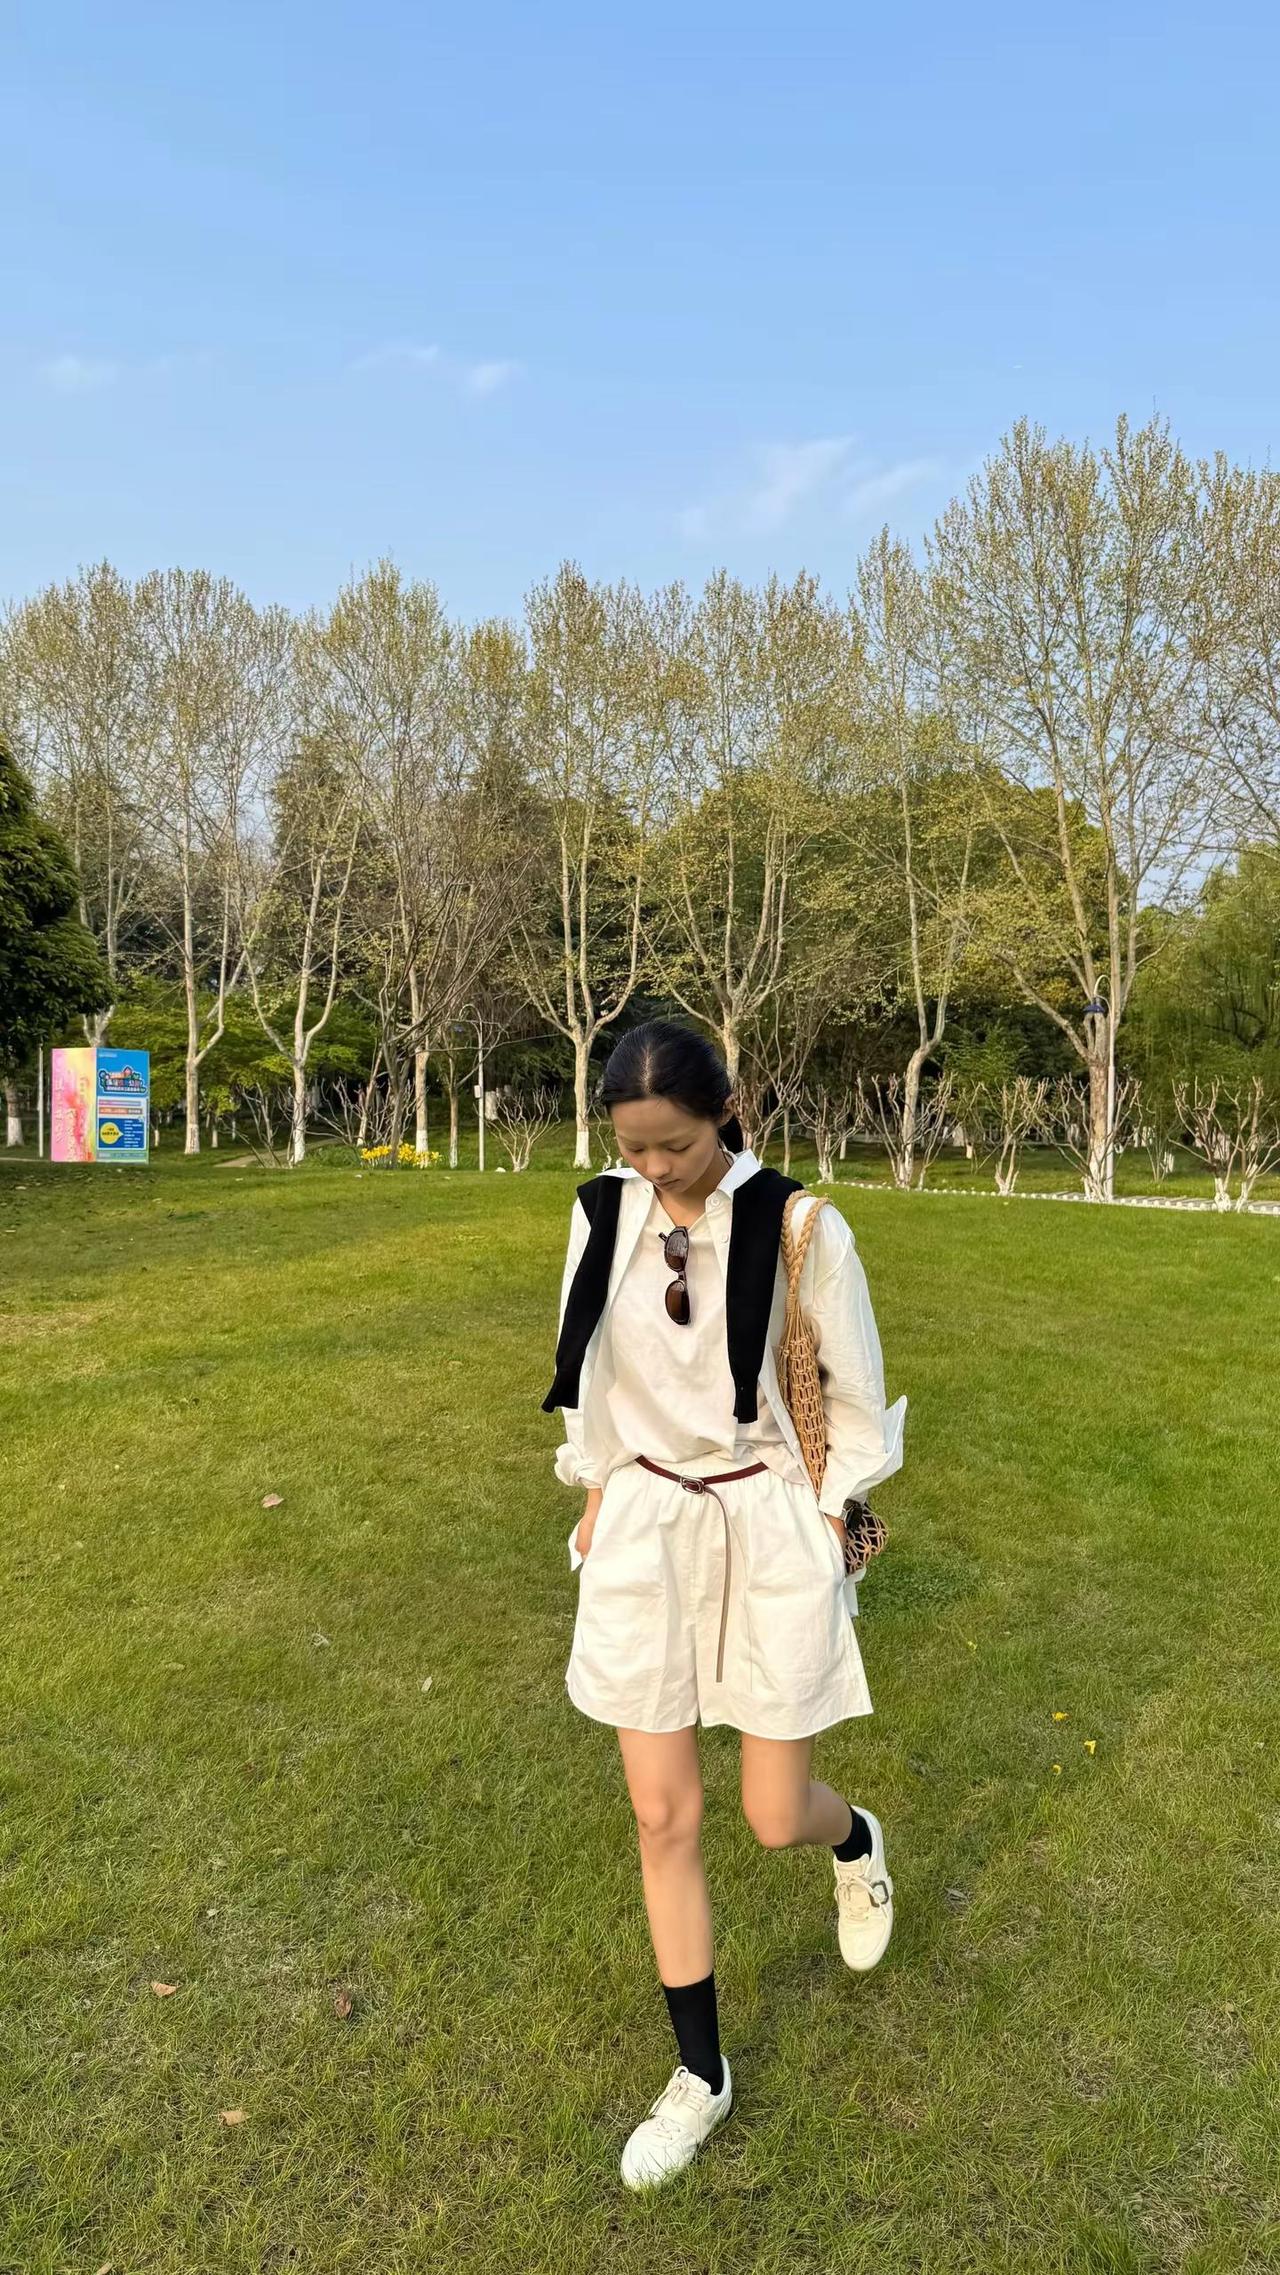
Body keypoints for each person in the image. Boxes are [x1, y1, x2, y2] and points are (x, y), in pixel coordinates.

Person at [541, 1020, 907, 2190]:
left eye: (677, 1145)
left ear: (725, 1110)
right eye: (633, 1148)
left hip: (765, 1516)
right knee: (662, 1817)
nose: (656, 1167)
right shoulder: (599, 1214)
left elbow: (853, 1396)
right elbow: (590, 1372)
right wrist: (596, 1487)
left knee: (769, 1811)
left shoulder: (800, 1225)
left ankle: (852, 1838)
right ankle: (700, 2074)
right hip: (645, 1520)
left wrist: (830, 1514)